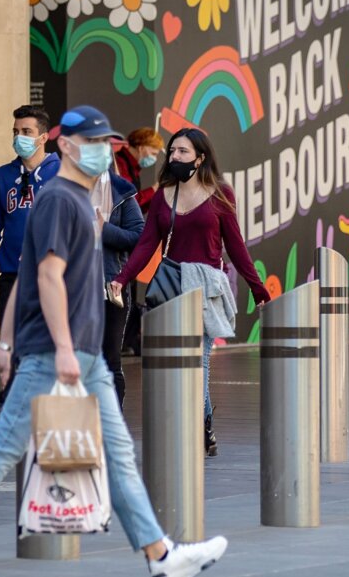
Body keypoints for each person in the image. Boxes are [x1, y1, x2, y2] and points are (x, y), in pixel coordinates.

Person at [0, 105, 230, 577]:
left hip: (74, 351)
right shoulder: (61, 200)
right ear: (66, 146)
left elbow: (31, 276)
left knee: (117, 454)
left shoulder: (71, 199)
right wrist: (56, 349)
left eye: (106, 142)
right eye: (93, 141)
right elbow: (50, 276)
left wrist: (9, 341)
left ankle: (160, 556)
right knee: (5, 447)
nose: (103, 150)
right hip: (56, 352)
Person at [114, 126, 270, 455]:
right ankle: (206, 423)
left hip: (207, 285)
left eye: (182, 152)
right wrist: (121, 279)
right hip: (171, 285)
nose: (174, 157)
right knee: (178, 362)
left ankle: (200, 426)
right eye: (172, 152)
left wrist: (258, 289)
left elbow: (236, 246)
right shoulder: (164, 196)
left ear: (200, 158)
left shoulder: (220, 194)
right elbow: (145, 245)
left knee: (199, 360)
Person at [0, 106, 61, 429]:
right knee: (8, 341)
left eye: (25, 132)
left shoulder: (61, 174)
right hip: (12, 276)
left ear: (43, 136)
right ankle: (7, 407)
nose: (19, 138)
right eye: (15, 132)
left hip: (52, 278)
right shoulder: (3, 177)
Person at [94, 162, 144, 406]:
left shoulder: (120, 191)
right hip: (71, 288)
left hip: (109, 286)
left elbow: (139, 235)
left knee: (109, 357)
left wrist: (104, 230)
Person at [120, 127, 167, 355]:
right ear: (141, 145)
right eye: (153, 151)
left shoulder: (134, 169)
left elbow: (137, 209)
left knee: (131, 287)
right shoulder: (119, 164)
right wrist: (154, 189)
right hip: (118, 237)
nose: (154, 157)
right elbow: (127, 202)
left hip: (130, 238)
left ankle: (128, 340)